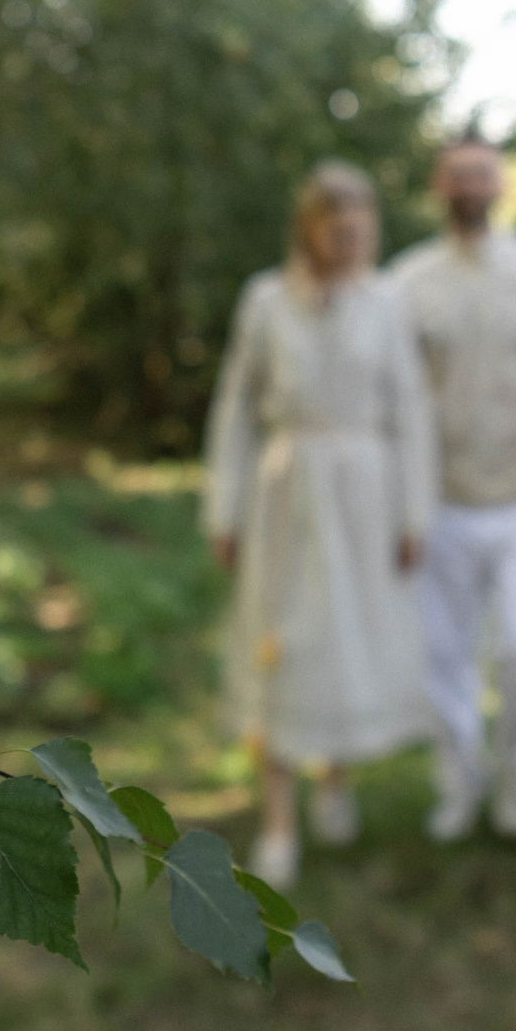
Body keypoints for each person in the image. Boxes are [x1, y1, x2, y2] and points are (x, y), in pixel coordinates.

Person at [203, 160, 438, 889]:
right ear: (308, 226)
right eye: (333, 225)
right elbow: (237, 407)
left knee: (344, 639)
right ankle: (279, 817)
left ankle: (333, 776)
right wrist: (224, 505)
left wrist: (414, 511)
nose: (347, 238)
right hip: (287, 494)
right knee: (281, 639)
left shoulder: (387, 302)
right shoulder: (267, 299)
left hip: (364, 496)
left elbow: (411, 410)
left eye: (359, 225)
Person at [389, 136, 516, 839]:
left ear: (501, 182)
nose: (469, 184)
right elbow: (395, 398)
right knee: (442, 656)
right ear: (438, 186)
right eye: (456, 174)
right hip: (440, 501)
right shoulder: (408, 281)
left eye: (481, 172)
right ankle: (458, 781)